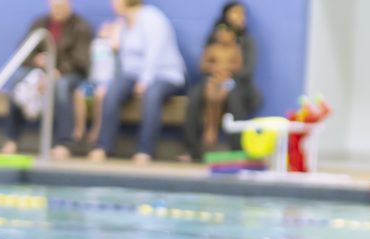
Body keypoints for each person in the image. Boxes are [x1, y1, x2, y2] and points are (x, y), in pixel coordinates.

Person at [87, 0, 186, 164]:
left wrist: (145, 81)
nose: (112, 3)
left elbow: (154, 52)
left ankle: (145, 150)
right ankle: (103, 146)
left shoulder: (151, 17)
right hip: (133, 74)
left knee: (151, 95)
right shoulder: (123, 24)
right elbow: (124, 61)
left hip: (166, 74)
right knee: (111, 93)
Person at [0, 0, 93, 160]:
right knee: (17, 79)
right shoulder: (40, 23)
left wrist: (57, 71)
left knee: (61, 86)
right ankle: (12, 139)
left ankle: (64, 143)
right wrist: (36, 60)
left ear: (69, 6)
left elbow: (81, 61)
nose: (57, 10)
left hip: (70, 74)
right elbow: (23, 53)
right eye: (54, 7)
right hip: (40, 72)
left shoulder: (81, 26)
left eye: (61, 7)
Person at [182, 1, 264, 161]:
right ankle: (192, 149)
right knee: (194, 95)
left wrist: (227, 74)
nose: (241, 18)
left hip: (237, 83)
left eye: (243, 14)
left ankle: (236, 149)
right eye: (236, 13)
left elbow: (246, 69)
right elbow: (204, 63)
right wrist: (215, 72)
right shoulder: (213, 38)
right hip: (212, 79)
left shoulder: (247, 41)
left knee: (234, 97)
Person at [71, 22, 118, 146]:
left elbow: (116, 47)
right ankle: (80, 127)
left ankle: (97, 129)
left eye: (109, 29)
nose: (105, 30)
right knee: (79, 93)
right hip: (93, 80)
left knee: (99, 95)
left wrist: (115, 32)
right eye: (103, 28)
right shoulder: (94, 44)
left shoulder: (113, 46)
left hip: (108, 81)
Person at [199, 23, 243, 147]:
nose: (224, 36)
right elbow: (203, 65)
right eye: (221, 33)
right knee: (210, 97)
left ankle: (215, 128)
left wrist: (225, 69)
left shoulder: (235, 50)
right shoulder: (212, 49)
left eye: (227, 33)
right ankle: (209, 127)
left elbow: (238, 66)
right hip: (214, 78)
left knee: (220, 97)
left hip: (227, 80)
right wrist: (215, 68)